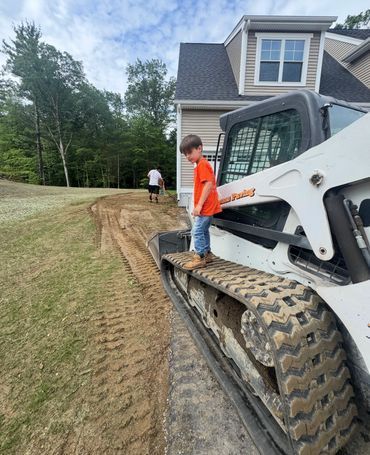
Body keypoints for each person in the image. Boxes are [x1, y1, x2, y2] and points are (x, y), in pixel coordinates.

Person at [180, 134, 221, 270]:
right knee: (203, 231)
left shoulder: (202, 164)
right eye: (185, 154)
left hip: (206, 207)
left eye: (190, 152)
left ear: (199, 148)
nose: (188, 157)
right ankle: (207, 253)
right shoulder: (199, 165)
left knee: (196, 231)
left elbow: (208, 184)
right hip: (207, 206)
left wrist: (199, 205)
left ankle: (200, 257)